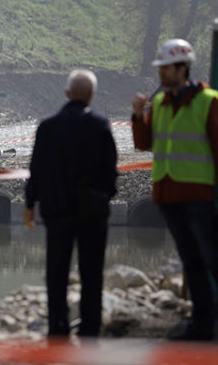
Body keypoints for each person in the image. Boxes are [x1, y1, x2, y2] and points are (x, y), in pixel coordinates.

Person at [132, 38, 218, 341]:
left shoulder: (209, 101)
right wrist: (137, 115)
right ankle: (202, 325)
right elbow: (144, 143)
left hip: (198, 195)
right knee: (192, 262)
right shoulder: (162, 105)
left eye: (165, 68)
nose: (161, 73)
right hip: (169, 196)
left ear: (182, 68)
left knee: (211, 258)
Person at [24, 69, 118, 338]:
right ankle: (90, 328)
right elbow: (110, 171)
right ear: (91, 95)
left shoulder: (47, 127)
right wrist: (103, 197)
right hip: (94, 213)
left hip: (57, 212)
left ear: (67, 93)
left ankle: (58, 328)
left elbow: (36, 170)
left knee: (57, 273)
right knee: (91, 273)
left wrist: (30, 205)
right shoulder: (100, 125)